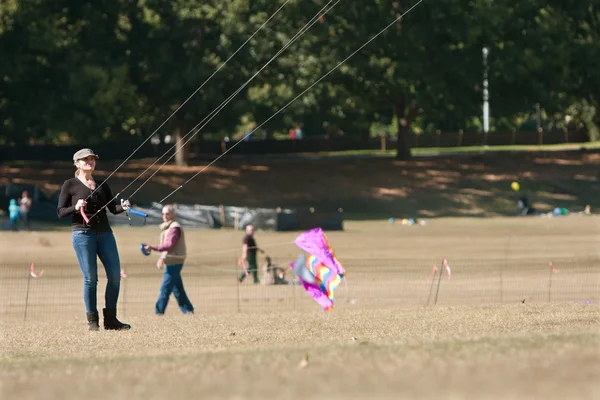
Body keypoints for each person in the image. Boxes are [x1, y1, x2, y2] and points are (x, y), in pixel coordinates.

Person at [57, 148, 131, 331]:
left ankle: (111, 320)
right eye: (85, 159)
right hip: (83, 234)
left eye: (92, 159)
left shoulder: (102, 184)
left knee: (114, 276)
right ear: (77, 163)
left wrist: (123, 206)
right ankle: (93, 321)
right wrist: (75, 207)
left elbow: (113, 209)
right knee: (91, 278)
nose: (89, 162)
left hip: (105, 233)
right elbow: (60, 212)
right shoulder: (70, 184)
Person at [142, 205, 194, 315]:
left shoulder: (174, 227)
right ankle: (188, 310)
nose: (164, 216)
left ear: (173, 214)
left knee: (165, 289)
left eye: (167, 213)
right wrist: (161, 258)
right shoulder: (168, 227)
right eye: (163, 213)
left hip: (175, 261)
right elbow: (167, 248)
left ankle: (159, 312)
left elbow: (169, 245)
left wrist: (152, 247)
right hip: (171, 260)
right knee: (177, 288)